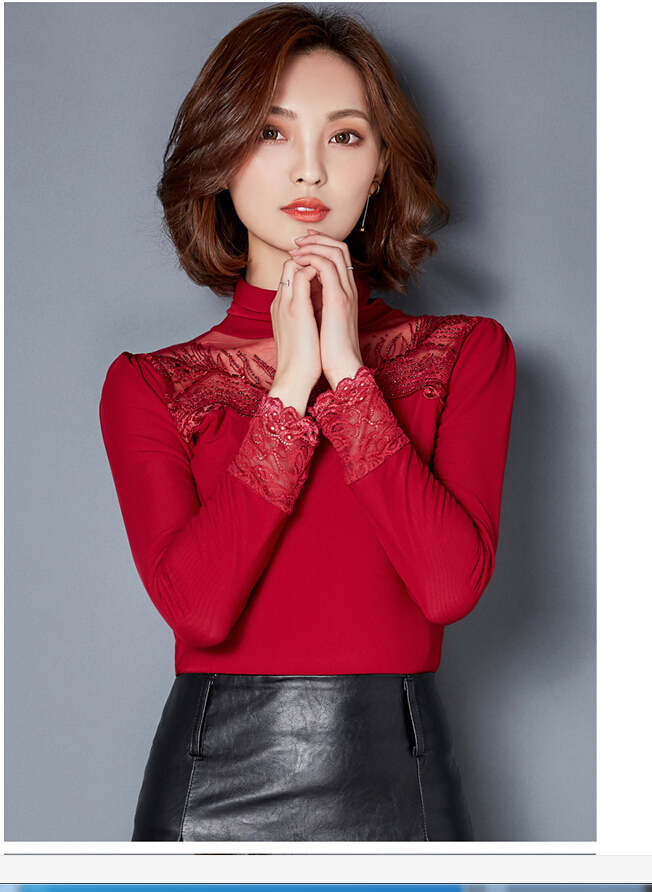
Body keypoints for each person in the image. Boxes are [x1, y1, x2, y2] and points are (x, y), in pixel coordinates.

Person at [99, 3, 516, 842]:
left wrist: (350, 376)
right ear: (221, 157)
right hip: (211, 789)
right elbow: (200, 611)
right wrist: (290, 386)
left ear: (381, 167)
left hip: (401, 779)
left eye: (345, 136)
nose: (310, 171)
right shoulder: (150, 385)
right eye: (271, 132)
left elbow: (447, 588)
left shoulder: (467, 355)